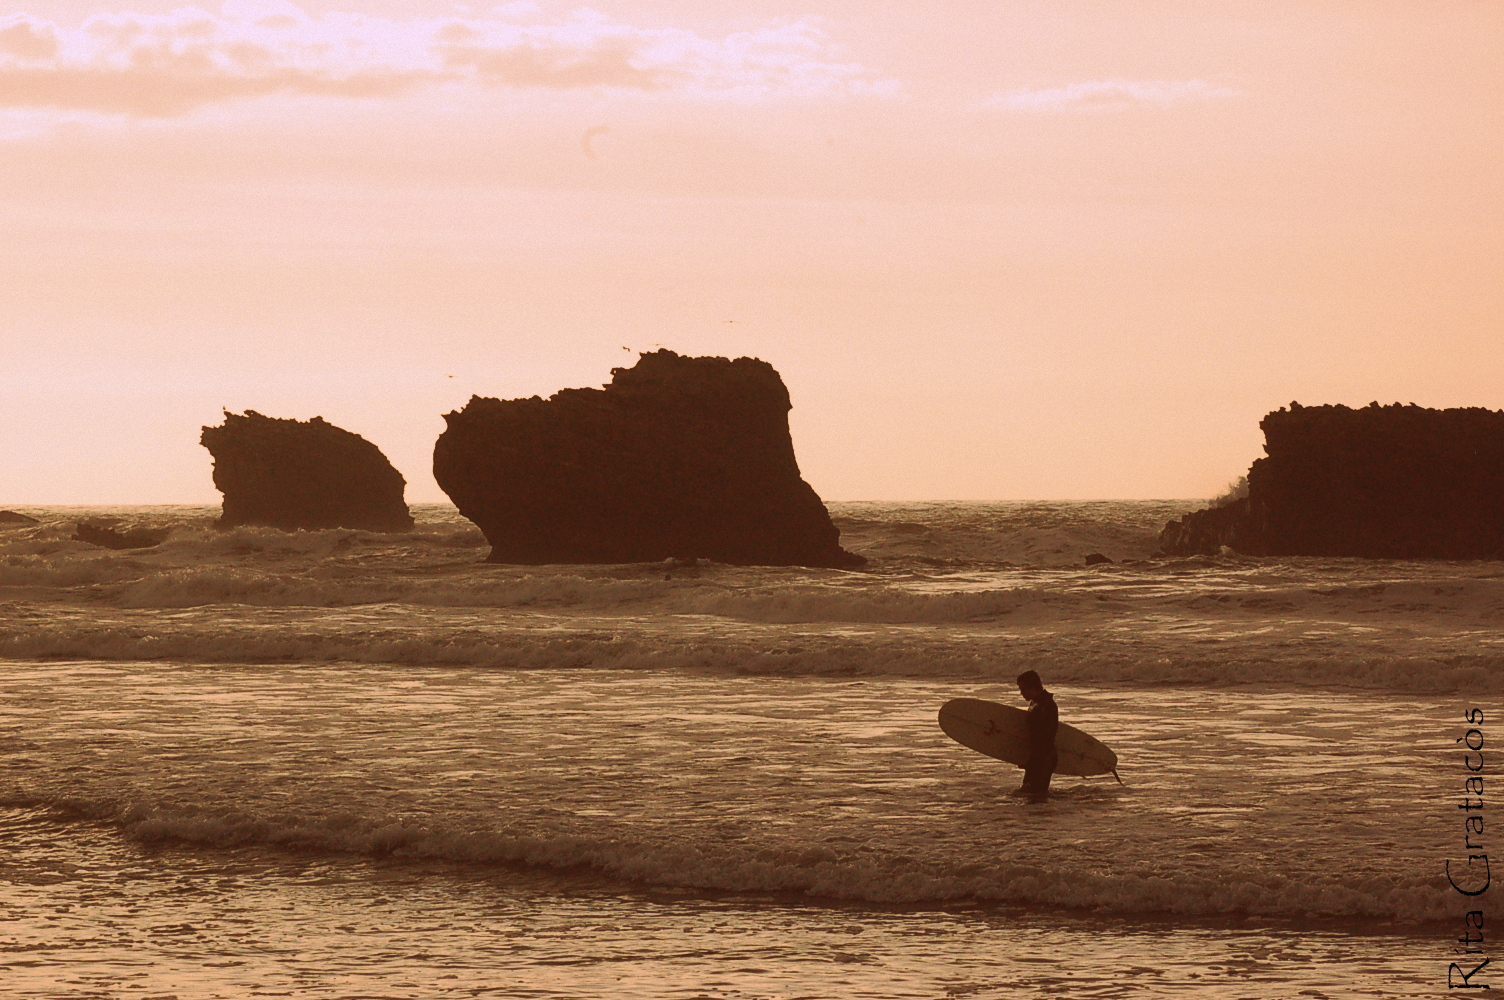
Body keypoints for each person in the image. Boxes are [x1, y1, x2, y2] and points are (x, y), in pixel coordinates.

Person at [1010, 670, 1058, 803]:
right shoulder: (1036, 703)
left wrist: (1032, 761)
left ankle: (1041, 822)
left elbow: (1045, 739)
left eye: (1022, 689)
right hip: (1038, 758)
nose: (1021, 693)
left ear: (1032, 687)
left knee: (1036, 798)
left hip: (1044, 758)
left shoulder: (1046, 706)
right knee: (1030, 797)